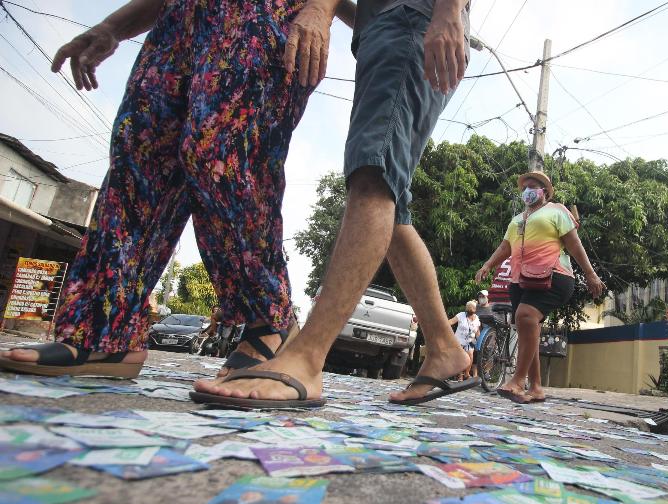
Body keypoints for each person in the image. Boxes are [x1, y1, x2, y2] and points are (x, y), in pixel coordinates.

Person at [0, 0, 355, 379]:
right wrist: (112, 26)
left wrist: (320, 7)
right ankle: (103, 332)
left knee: (220, 153)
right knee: (138, 154)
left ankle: (269, 321)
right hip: (180, 19)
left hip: (269, 13)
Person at [191, 0, 478, 408]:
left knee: (373, 174)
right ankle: (444, 347)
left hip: (414, 16)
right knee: (390, 198)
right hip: (389, 25)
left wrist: (448, 11)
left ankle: (307, 356)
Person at [475, 171, 605, 403]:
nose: (528, 190)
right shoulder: (516, 220)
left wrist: (591, 274)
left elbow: (574, 243)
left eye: (533, 186)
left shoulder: (556, 211)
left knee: (525, 316)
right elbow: (505, 247)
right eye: (525, 186)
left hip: (554, 276)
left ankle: (517, 380)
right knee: (527, 330)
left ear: (544, 191)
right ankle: (535, 388)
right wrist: (487, 265)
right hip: (520, 281)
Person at [448, 300, 480, 379]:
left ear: (475, 309)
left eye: (472, 308)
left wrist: (479, 341)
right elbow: (451, 321)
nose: (469, 309)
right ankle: (460, 375)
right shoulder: (461, 315)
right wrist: (442, 323)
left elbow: (477, 331)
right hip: (459, 341)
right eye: (468, 308)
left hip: (470, 341)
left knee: (470, 357)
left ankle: (466, 373)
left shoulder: (477, 319)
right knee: (460, 358)